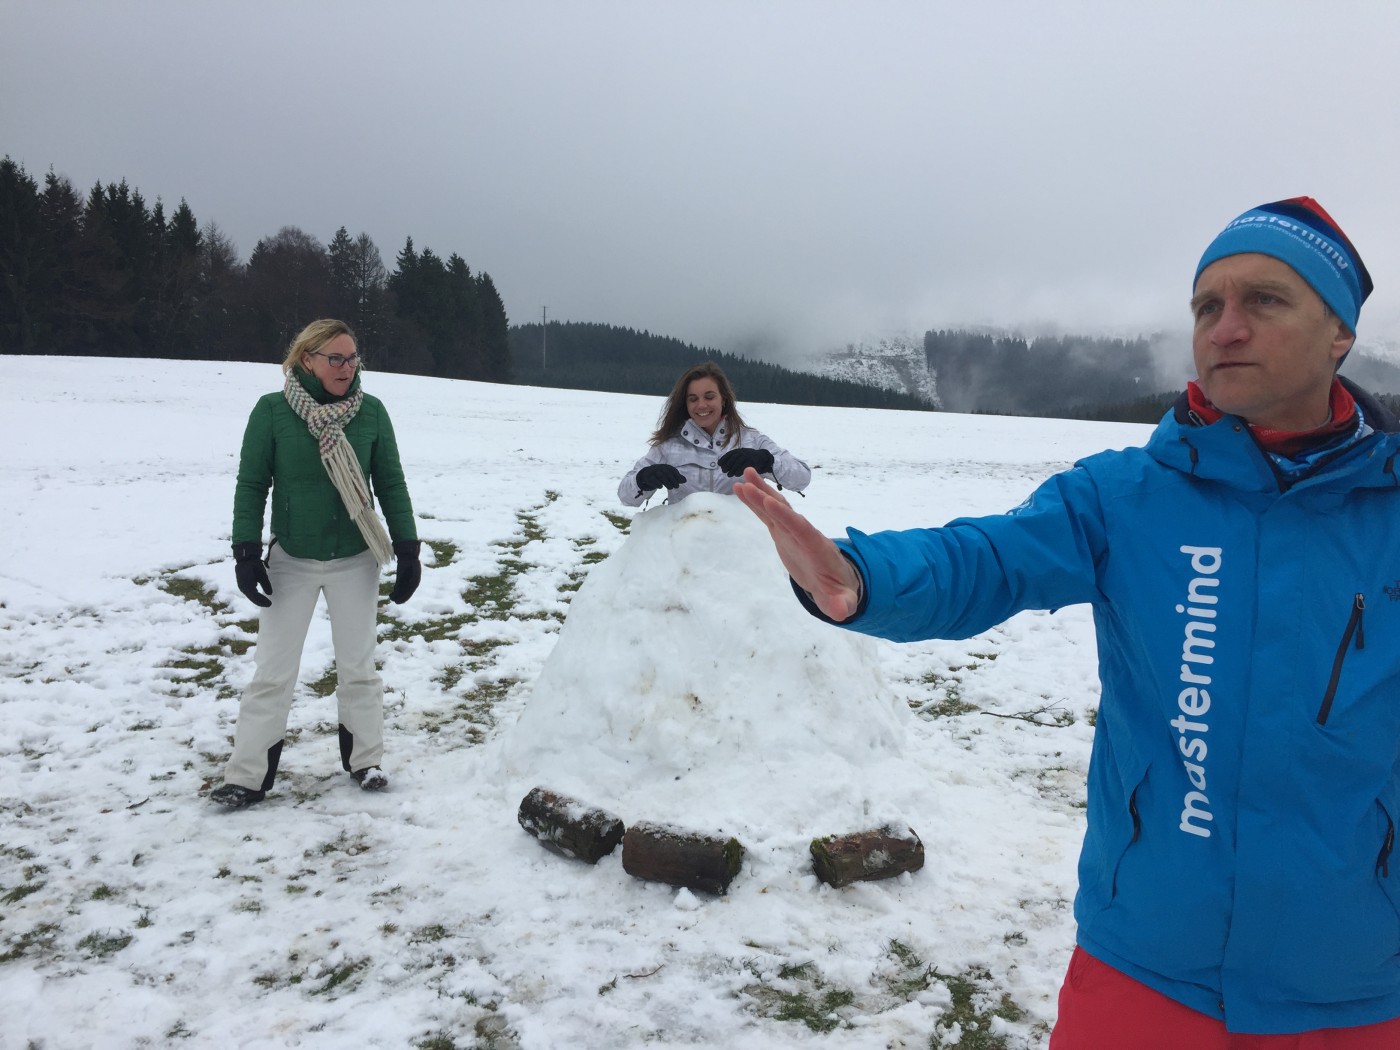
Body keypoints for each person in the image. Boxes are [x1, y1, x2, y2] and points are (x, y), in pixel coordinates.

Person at [736, 198, 1400, 1046]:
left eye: (1264, 300)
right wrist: (863, 577)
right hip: (1144, 965)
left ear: (1340, 331)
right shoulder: (1127, 496)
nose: (1226, 328)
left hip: (1354, 985)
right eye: (1207, 306)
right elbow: (988, 557)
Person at [210, 319, 421, 808]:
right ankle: (247, 776)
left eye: (352, 358)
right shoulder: (273, 411)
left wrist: (407, 547)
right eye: (335, 358)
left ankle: (366, 761)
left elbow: (390, 483)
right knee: (273, 671)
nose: (347, 367)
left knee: (358, 667)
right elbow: (251, 484)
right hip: (292, 560)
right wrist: (245, 551)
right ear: (307, 359)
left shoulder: (370, 412)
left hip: (356, 558)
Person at [618, 362, 811, 506]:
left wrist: (766, 461)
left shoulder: (751, 440)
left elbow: (801, 478)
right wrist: (643, 479)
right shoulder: (668, 446)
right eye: (693, 399)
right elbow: (626, 497)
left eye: (709, 397)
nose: (701, 405)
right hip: (685, 543)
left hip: (741, 543)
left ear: (723, 399)